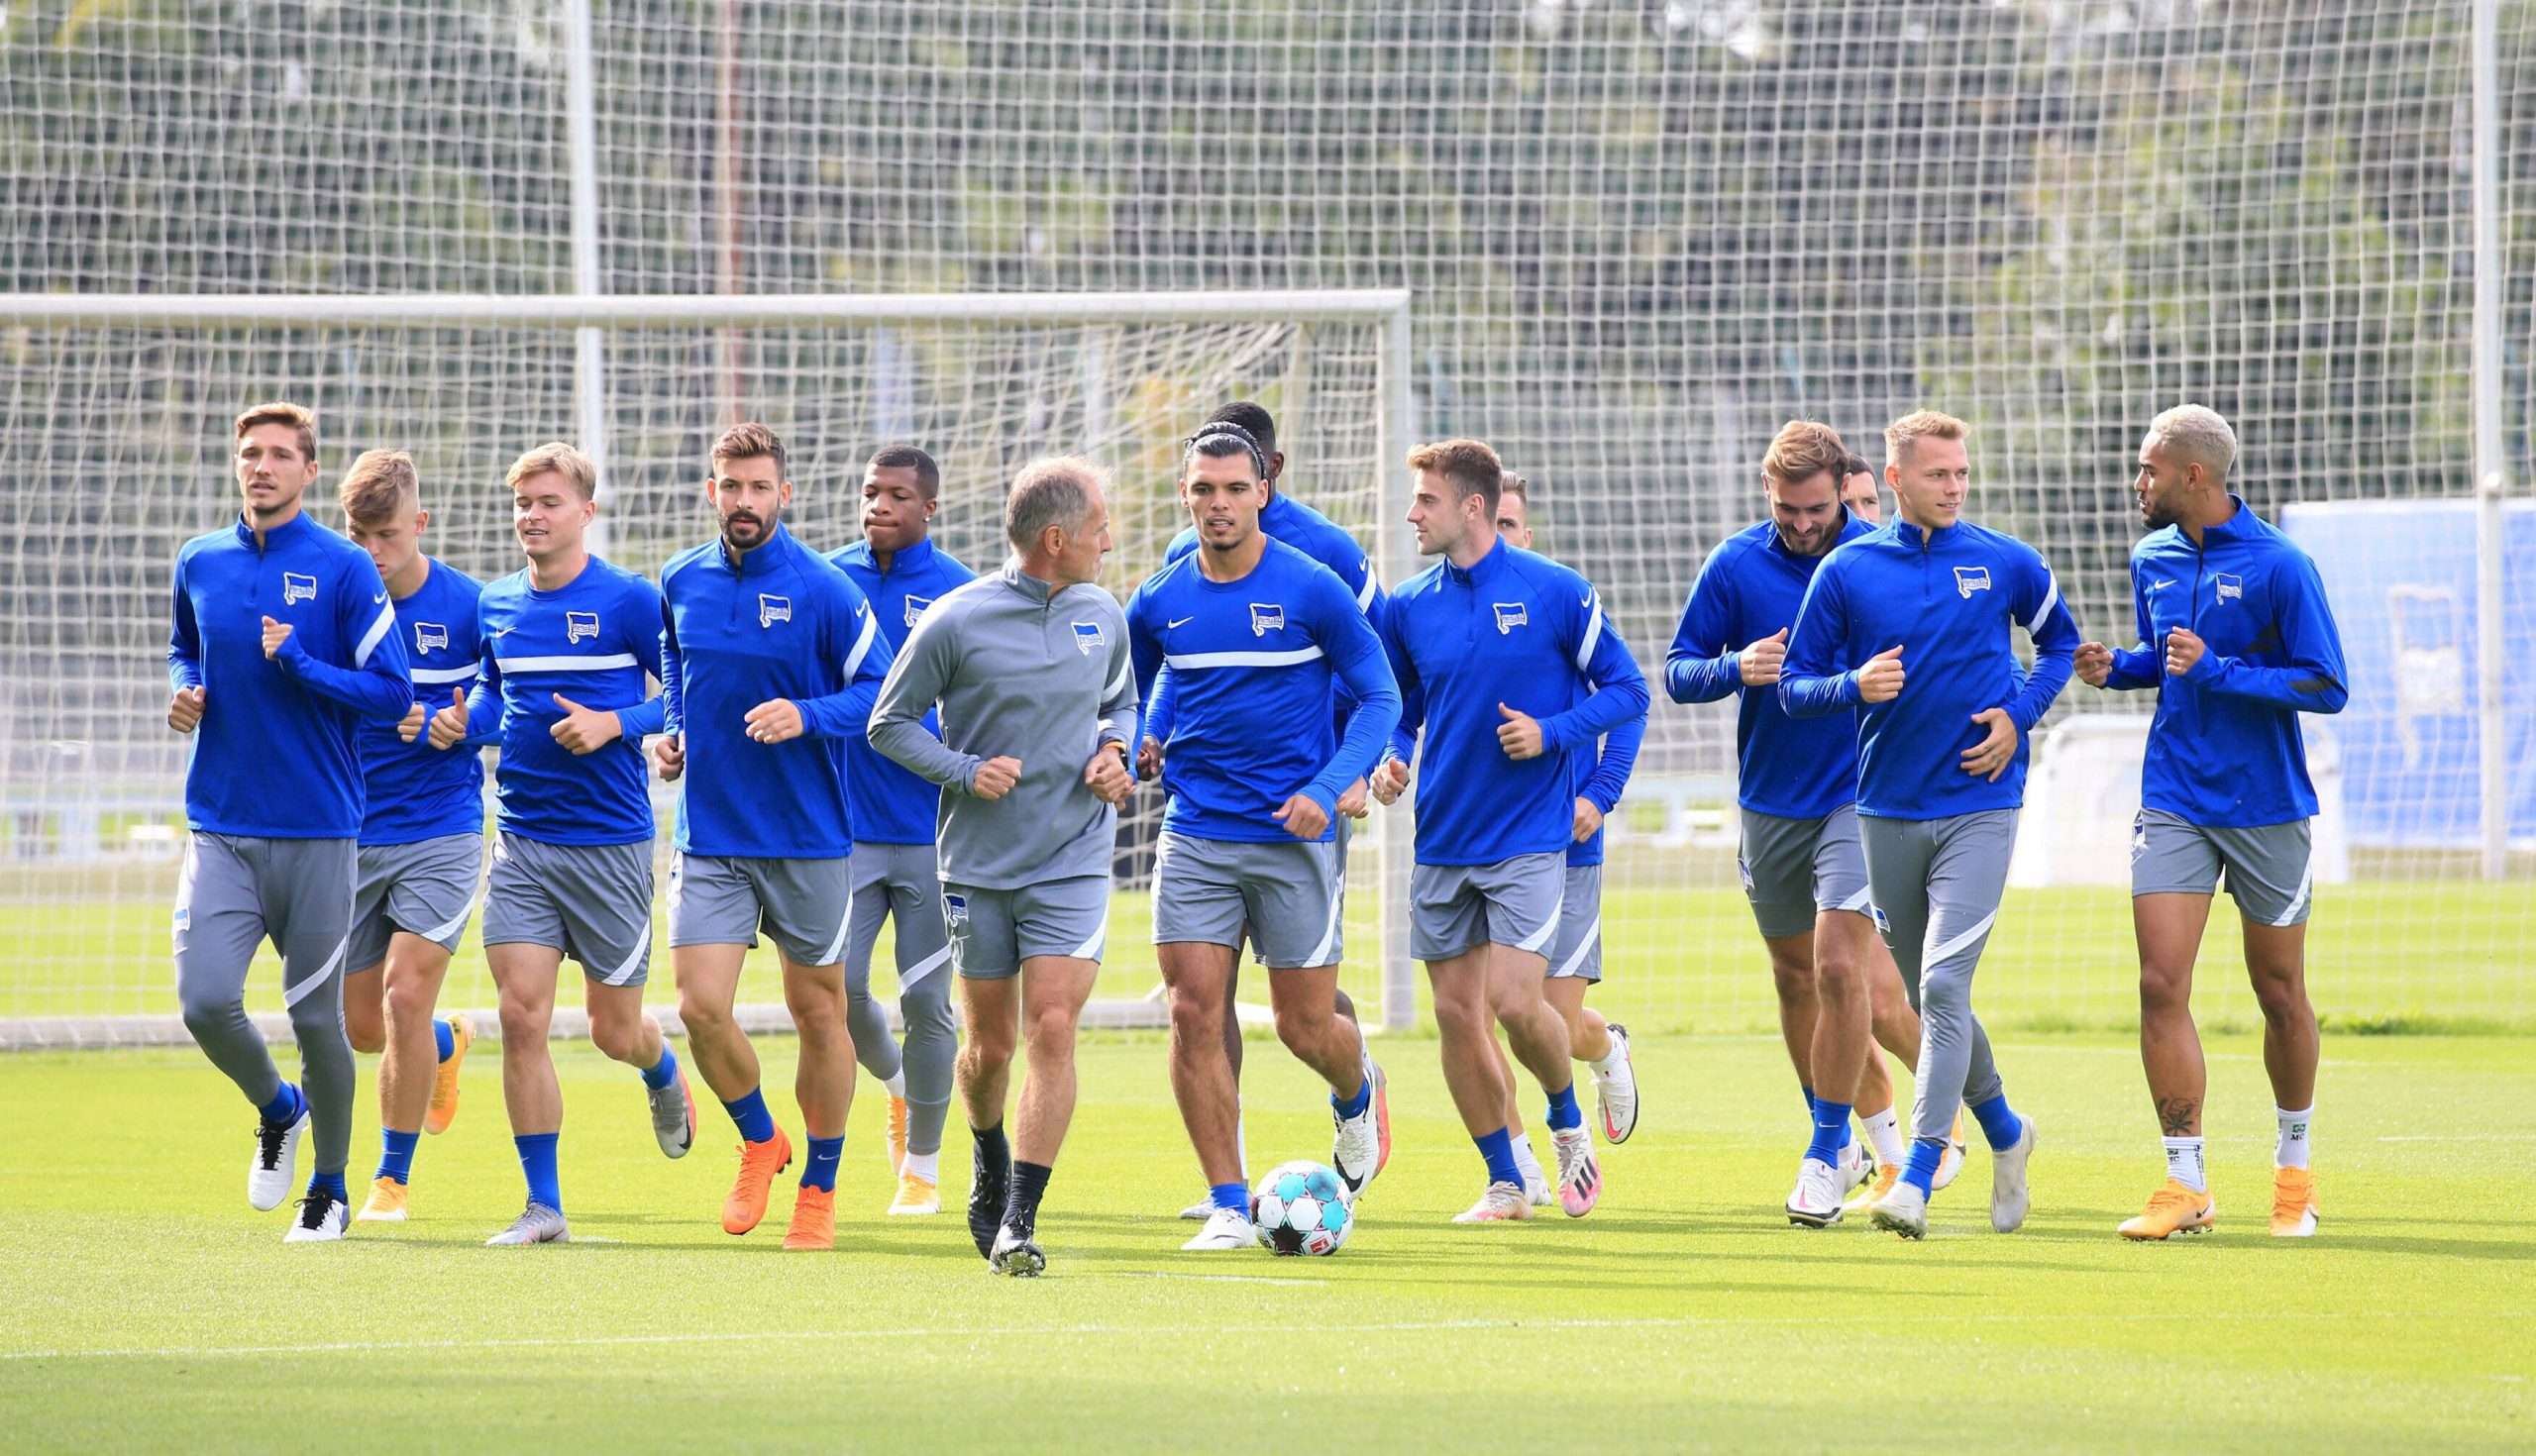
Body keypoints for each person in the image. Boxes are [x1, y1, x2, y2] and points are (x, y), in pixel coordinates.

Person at [1779, 409, 2075, 1239]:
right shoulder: (1846, 572)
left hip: (1982, 805)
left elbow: (2059, 647)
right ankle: (2010, 1134)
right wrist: (1853, 686)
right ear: (1895, 478)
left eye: (1962, 473)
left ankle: (1914, 1174)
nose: (1953, 487)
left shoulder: (2004, 561)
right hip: (1885, 811)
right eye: (1938, 474)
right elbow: (1796, 685)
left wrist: (2018, 718)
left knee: (1943, 988)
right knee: (1923, 992)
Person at [1665, 421, 1957, 1226]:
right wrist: (1736, 668)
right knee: (1796, 979)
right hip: (1770, 803)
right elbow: (1677, 671)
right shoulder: (1735, 565)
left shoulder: (1879, 561)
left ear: (1844, 490)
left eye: (1816, 508)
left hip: (1857, 797)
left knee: (1839, 970)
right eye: (1787, 510)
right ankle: (1877, 1138)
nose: (1801, 524)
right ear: (1772, 494)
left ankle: (1827, 1153)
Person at [2075, 404, 2349, 1240]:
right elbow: (2168, 663)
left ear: (2195, 475)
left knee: (2279, 993)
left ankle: (2293, 1172)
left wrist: (2222, 669)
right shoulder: (2150, 555)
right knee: (2160, 985)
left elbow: (2326, 686)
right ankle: (2184, 1180)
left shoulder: (2282, 565)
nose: (2138, 483)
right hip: (2175, 799)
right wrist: (2118, 668)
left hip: (2267, 806)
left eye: (2150, 469)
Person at [1126, 421, 1401, 1251]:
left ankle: (1358, 1094)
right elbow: (1163, 675)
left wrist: (1327, 786)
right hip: (1197, 832)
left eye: (1235, 489)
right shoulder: (1157, 599)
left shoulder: (1312, 586)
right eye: (1204, 489)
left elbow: (1382, 699)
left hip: (1295, 839)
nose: (1219, 504)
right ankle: (1225, 1200)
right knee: (1192, 1011)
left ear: (1263, 493)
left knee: (1303, 1027)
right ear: (1185, 495)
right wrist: (1147, 737)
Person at [869, 457, 1138, 1276]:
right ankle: (986, 1151)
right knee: (987, 1049)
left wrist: (1114, 748)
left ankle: (1019, 1219)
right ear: (1057, 539)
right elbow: (890, 723)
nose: (1109, 541)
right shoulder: (955, 620)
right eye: (1099, 528)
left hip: (1075, 858)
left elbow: (1121, 701)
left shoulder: (1105, 614)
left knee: (1051, 1026)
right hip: (978, 868)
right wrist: (964, 770)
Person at [1370, 439, 1649, 1223]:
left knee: (1517, 1001)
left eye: (1424, 499)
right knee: (1458, 1018)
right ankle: (1505, 1180)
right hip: (1443, 843)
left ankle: (1565, 1126)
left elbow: (1629, 692)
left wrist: (1553, 734)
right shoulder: (1409, 606)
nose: (1411, 513)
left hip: (1532, 838)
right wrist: (1393, 762)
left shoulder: (1557, 592)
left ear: (1471, 507)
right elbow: (1401, 712)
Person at [427, 442, 690, 1246]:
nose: (531, 517)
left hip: (611, 846)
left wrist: (619, 723)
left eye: (547, 503)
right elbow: (492, 693)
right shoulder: (495, 604)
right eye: (522, 504)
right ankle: (544, 1206)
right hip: (523, 843)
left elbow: (683, 694)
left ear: (586, 512)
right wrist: (462, 723)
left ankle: (661, 1067)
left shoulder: (630, 601)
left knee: (615, 1030)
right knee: (521, 1015)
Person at [167, 401, 412, 1242]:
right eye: (249, 453)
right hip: (221, 827)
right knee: (204, 1002)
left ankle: (332, 1188)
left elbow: (394, 692)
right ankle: (279, 1109)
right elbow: (184, 648)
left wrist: (301, 664)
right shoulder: (199, 561)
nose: (261, 466)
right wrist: (185, 688)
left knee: (318, 1020)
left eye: (279, 455)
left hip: (319, 832)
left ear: (310, 472)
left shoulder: (345, 570)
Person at [656, 423, 894, 1251]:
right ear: (711, 490)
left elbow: (884, 692)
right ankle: (761, 1139)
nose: (745, 501)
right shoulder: (679, 578)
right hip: (712, 838)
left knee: (819, 1013)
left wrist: (808, 715)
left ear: (784, 494)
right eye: (731, 485)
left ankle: (820, 1190)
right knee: (700, 1009)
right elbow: (677, 663)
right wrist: (675, 732)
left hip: (809, 839)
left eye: (759, 487)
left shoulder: (825, 589)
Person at [1482, 471, 1643, 1206]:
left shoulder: (1557, 605)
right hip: (1479, 841)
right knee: (1481, 1011)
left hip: (1565, 841)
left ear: (1526, 532)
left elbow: (1630, 703)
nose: (1503, 538)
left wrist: (1598, 795)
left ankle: (1606, 1046)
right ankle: (1518, 1171)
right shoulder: (1443, 611)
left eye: (1513, 525)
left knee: (1547, 1015)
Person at [335, 449, 487, 1224]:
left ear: (420, 525)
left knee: (400, 994)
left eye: (387, 535)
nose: (372, 553)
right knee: (366, 1027)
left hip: (442, 830)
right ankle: (445, 1043)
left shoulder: (469, 605)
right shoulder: (332, 602)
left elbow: (504, 701)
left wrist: (458, 725)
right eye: (358, 535)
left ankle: (390, 1181)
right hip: (352, 831)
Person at [830, 444, 976, 1216]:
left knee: (928, 1004)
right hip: (840, 832)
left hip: (933, 835)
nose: (878, 506)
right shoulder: (827, 582)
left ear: (929, 508)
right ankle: (898, 1088)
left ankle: (922, 1166)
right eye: (869, 493)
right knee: (840, 990)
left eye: (895, 495)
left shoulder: (961, 594)